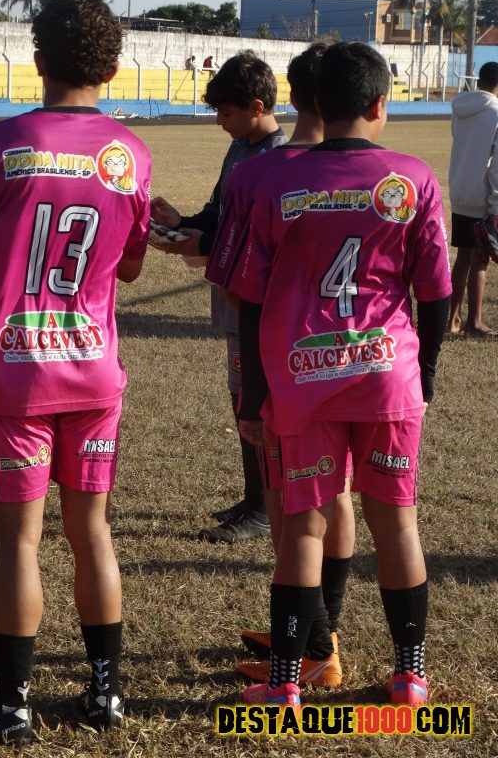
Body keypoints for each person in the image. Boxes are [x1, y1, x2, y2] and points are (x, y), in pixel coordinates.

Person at [0, 0, 152, 744]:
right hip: (94, 371)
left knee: (19, 544)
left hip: (18, 375)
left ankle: (13, 705)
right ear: (114, 68)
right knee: (92, 531)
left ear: (36, 61)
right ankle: (105, 695)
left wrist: (9, 314)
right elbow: (127, 267)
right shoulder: (130, 154)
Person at [225, 41, 451, 712]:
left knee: (303, 527)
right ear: (381, 104)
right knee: (397, 524)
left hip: (302, 380)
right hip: (387, 377)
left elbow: (249, 300)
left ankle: (285, 684)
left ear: (317, 104)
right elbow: (436, 296)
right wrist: (425, 375)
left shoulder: (273, 179)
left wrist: (254, 395)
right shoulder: (411, 178)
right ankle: (410, 679)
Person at [206, 42, 354, 689]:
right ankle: (323, 632)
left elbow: (242, 286)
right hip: (351, 359)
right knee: (335, 494)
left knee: (287, 503)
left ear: (293, 96)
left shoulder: (265, 174)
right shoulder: (375, 172)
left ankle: (314, 644)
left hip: (282, 362)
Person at [151, 50, 288, 543]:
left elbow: (256, 236)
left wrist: (203, 242)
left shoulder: (278, 159)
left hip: (254, 296)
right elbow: (220, 213)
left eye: (225, 113)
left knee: (255, 398)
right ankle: (254, 498)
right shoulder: (240, 149)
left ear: (256, 107)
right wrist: (182, 223)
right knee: (241, 395)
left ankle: (264, 509)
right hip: (231, 290)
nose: (219, 122)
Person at [447, 61, 498, 337]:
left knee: (463, 257)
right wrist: (496, 204)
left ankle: (452, 318)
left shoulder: (460, 107)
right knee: (480, 259)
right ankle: (474, 322)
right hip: (481, 194)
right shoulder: (496, 111)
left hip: (459, 190)